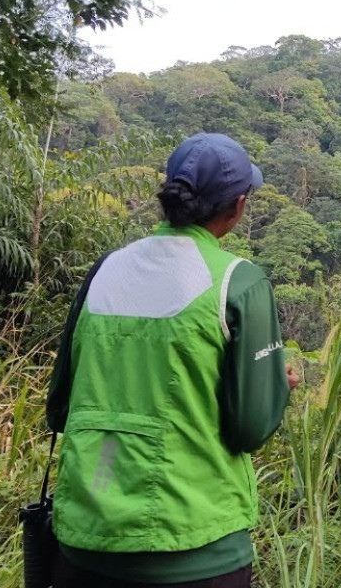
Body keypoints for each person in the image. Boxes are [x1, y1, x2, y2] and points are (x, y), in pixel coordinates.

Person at [45, 132, 299, 588]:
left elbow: (60, 407)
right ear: (239, 207)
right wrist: (274, 386)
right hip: (199, 550)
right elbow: (251, 427)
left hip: (85, 545)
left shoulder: (105, 270)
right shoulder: (239, 283)